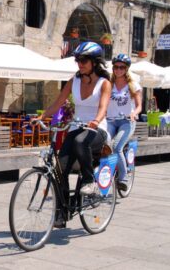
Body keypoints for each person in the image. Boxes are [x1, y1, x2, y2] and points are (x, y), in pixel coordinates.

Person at [35, 41, 111, 226]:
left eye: (84, 60)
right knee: (59, 169)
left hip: (97, 130)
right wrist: (42, 116)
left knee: (79, 141)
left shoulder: (104, 83)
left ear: (94, 62)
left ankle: (88, 180)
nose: (80, 63)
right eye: (78, 60)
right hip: (77, 127)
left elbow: (103, 108)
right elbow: (58, 102)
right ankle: (62, 213)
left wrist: (96, 120)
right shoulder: (73, 81)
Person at [106, 54, 142, 191]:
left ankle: (123, 177)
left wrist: (134, 113)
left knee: (116, 147)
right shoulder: (108, 84)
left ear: (126, 69)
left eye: (122, 67)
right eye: (116, 67)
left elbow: (139, 106)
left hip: (126, 121)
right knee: (102, 143)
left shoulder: (133, 85)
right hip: (110, 120)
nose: (118, 70)